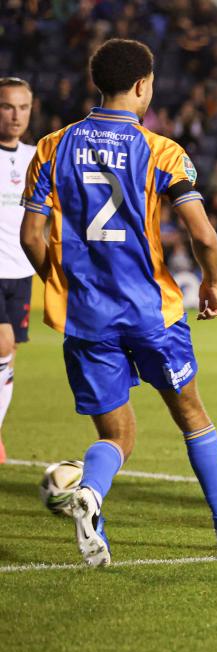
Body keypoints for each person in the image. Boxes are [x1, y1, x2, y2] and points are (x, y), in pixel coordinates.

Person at [19, 38, 217, 567]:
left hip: (87, 316)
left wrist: (61, 281)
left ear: (98, 82)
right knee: (191, 415)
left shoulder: (52, 146)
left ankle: (92, 493)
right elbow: (204, 236)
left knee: (116, 433)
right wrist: (211, 282)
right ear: (144, 84)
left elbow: (32, 237)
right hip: (153, 313)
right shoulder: (162, 150)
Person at [0, 78, 36, 463]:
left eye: (23, 108)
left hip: (20, 271)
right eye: (8, 107)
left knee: (8, 358)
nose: (16, 116)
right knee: (3, 345)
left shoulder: (34, 157)